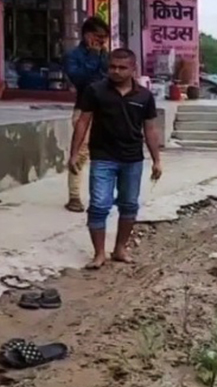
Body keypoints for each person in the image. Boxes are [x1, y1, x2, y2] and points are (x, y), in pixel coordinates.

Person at [68, 48, 162, 269]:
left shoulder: (144, 96)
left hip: (132, 159)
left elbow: (150, 129)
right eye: (112, 67)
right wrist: (74, 153)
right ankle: (99, 253)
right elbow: (83, 122)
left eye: (122, 68)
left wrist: (156, 159)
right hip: (102, 157)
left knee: (129, 205)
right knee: (99, 205)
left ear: (133, 69)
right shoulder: (95, 91)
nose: (116, 72)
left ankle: (120, 249)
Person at [63, 16, 109, 213]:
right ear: (87, 35)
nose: (101, 41)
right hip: (84, 107)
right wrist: (92, 56)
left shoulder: (107, 55)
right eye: (98, 37)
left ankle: (101, 195)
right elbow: (81, 80)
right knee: (80, 153)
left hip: (106, 108)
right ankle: (74, 196)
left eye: (104, 38)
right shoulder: (73, 56)